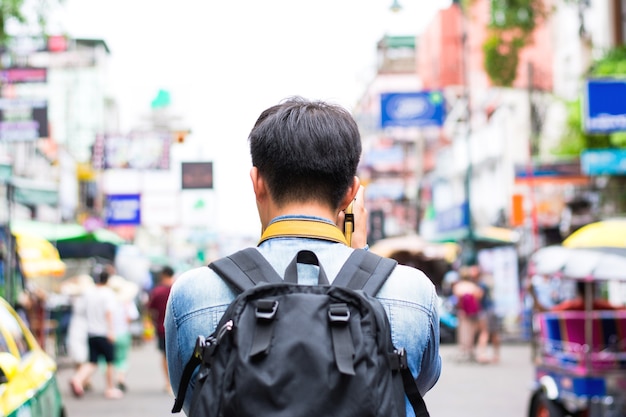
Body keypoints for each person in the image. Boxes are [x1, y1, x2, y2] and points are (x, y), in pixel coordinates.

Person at [165, 97, 441, 416]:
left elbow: (194, 398)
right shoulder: (411, 290)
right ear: (352, 192)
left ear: (257, 183)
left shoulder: (194, 291)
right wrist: (360, 261)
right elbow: (412, 386)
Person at [70, 263, 124, 400]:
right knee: (109, 362)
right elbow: (109, 314)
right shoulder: (108, 294)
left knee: (92, 361)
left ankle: (77, 379)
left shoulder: (88, 292)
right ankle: (110, 388)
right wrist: (111, 331)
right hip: (104, 332)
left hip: (91, 332)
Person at [107, 267, 140, 392]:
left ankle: (110, 382)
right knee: (122, 358)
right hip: (123, 333)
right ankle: (120, 377)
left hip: (109, 333)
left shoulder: (108, 299)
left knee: (109, 359)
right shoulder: (126, 302)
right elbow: (132, 316)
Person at [147, 265, 175, 394]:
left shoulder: (157, 291)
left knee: (165, 355)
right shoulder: (177, 288)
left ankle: (168, 383)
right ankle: (177, 381)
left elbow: (151, 310)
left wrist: (153, 323)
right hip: (177, 327)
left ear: (163, 274)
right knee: (177, 355)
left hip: (162, 328)